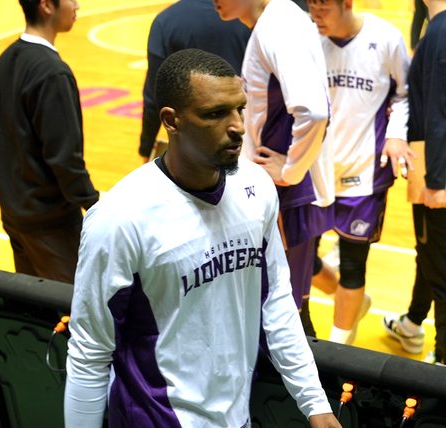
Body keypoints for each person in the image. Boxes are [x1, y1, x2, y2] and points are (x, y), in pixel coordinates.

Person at [65, 49, 341, 428]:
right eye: (215, 114)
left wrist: (315, 402)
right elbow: (89, 353)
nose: (238, 126)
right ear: (171, 121)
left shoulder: (257, 187)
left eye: (239, 109)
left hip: (236, 418)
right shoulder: (120, 219)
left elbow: (276, 300)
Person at [215, 0, 335, 336]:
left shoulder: (278, 24)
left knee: (281, 319)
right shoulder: (277, 20)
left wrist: (290, 170)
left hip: (288, 193)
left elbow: (313, 111)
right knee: (288, 312)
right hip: (287, 191)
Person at [306, 0, 412, 345]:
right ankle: (352, 302)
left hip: (364, 175)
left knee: (353, 265)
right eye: (311, 7)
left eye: (323, 8)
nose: (315, 15)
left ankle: (339, 350)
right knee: (303, 261)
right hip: (315, 171)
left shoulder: (386, 39)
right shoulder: (309, 39)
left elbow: (406, 93)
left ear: (347, 3)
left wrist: (396, 134)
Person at [0, 0, 99, 283]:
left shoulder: (5, 59)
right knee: (71, 304)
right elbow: (64, 158)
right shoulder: (51, 72)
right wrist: (94, 205)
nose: (77, 5)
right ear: (47, 5)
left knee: (33, 304)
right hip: (51, 223)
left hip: (15, 213)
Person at [383, 0, 446, 366]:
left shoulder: (439, 32)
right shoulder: (436, 29)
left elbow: (439, 111)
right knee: (430, 254)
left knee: (440, 269)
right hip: (433, 165)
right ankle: (412, 323)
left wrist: (438, 181)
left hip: (436, 172)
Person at [138, 0, 250, 162]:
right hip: (248, 136)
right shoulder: (245, 14)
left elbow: (154, 96)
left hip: (196, 143)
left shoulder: (166, 20)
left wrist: (146, 147)